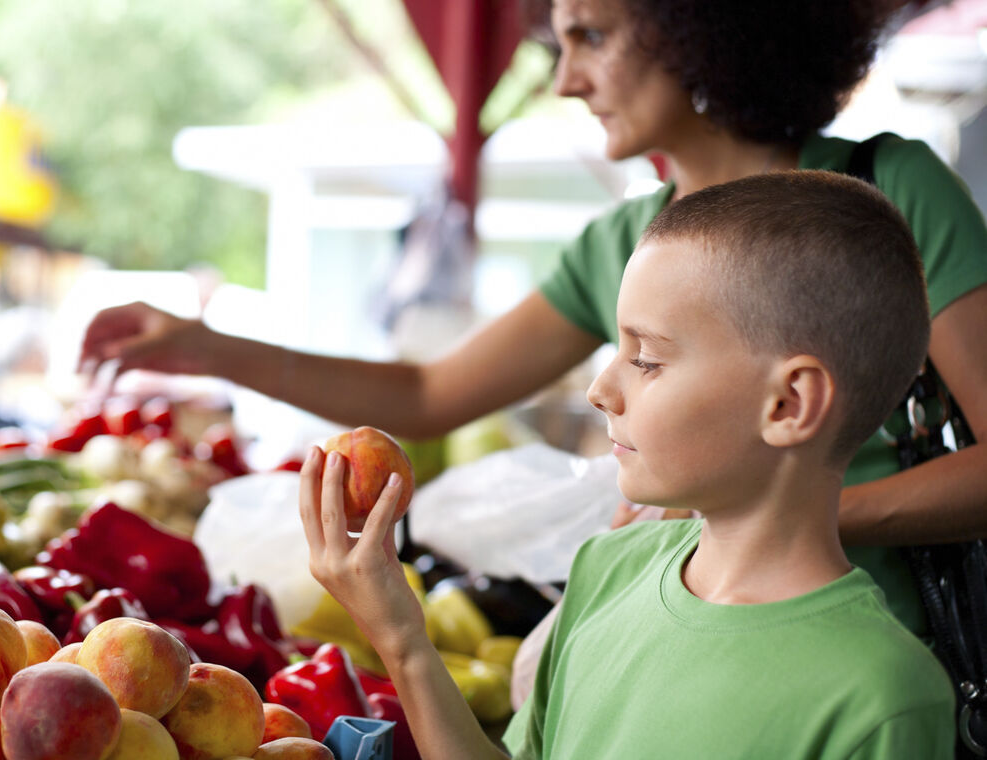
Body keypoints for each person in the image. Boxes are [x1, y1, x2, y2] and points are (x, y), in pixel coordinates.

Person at [79, 0, 987, 634]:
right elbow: (431, 394)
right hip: (679, 634)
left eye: (590, 36)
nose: (565, 80)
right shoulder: (626, 239)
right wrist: (205, 347)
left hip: (863, 656)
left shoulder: (893, 190)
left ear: (700, 27)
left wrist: (795, 517)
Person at [300, 170, 955, 758]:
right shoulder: (607, 569)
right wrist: (403, 639)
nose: (599, 390)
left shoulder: (884, 699)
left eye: (646, 358)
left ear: (788, 403)